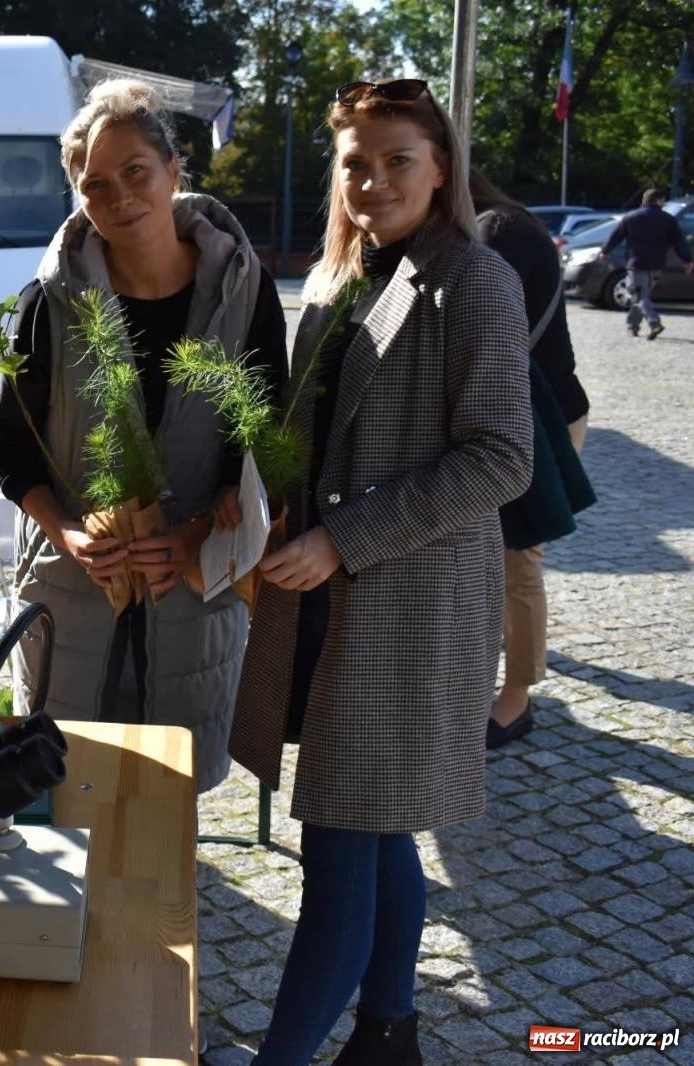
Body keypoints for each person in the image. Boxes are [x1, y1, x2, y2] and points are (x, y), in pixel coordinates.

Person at [228, 79, 532, 1064]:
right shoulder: (338, 274)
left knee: (339, 838)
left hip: (407, 604)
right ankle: (389, 1028)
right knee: (377, 825)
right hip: (331, 597)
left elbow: (499, 458)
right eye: (355, 162)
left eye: (398, 158)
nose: (373, 179)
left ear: (439, 166)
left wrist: (340, 539)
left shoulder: (473, 281)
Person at [0, 79, 287, 792]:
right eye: (94, 184)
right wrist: (67, 532)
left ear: (175, 172)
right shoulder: (47, 304)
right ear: (77, 197)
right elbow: (5, 440)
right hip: (76, 592)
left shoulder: (245, 294)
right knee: (64, 792)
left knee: (166, 803)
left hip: (189, 592)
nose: (118, 195)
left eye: (135, 172)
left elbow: (265, 440)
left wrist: (202, 531)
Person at [469, 170, 594, 748]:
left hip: (537, 421)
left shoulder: (503, 230)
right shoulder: (493, 225)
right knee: (492, 560)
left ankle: (516, 700)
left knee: (518, 562)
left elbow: (480, 324)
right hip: (510, 416)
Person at [602, 188, 694, 340]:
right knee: (642, 297)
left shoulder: (631, 217)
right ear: (659, 201)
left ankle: (654, 323)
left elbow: (615, 236)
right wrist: (687, 260)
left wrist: (605, 251)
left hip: (636, 263)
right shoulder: (668, 219)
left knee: (639, 296)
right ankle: (632, 327)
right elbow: (679, 242)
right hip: (657, 265)